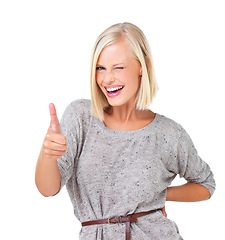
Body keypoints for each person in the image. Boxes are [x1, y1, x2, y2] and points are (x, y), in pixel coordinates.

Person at [35, 22, 216, 240]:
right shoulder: (81, 116)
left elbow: (205, 184)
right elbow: (47, 189)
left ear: (142, 66)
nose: (107, 78)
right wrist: (48, 155)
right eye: (100, 68)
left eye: (118, 67)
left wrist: (161, 195)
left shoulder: (168, 133)